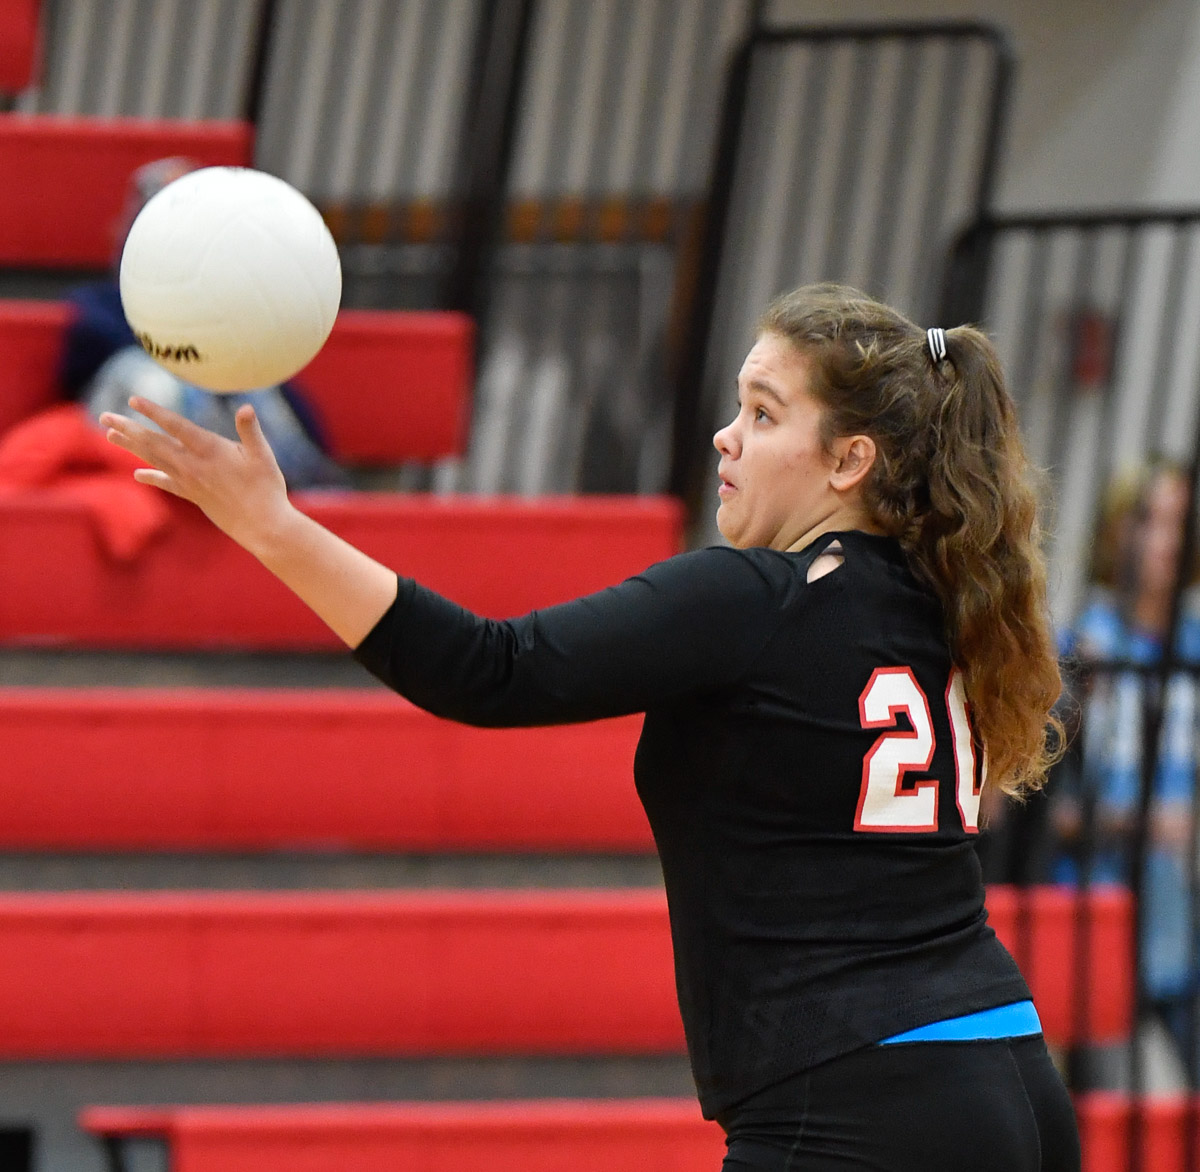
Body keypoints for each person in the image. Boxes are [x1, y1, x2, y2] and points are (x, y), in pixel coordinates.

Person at [100, 282, 1079, 1171]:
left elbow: (492, 669)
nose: (725, 437)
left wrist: (272, 524)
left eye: (764, 413)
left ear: (849, 461)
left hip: (859, 1104)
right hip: (1017, 1078)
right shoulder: (949, 604)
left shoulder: (756, 596)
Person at [59, 156, 346, 492]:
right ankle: (176, 481)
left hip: (226, 442)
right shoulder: (102, 303)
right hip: (134, 443)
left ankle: (275, 484)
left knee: (250, 381)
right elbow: (84, 362)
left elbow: (292, 408)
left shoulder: (242, 315)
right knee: (153, 378)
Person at [1054, 459, 1200, 1079]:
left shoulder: (1192, 645)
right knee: (1107, 1100)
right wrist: (1133, 822)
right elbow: (1045, 809)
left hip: (1181, 906)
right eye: (1149, 519)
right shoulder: (1083, 648)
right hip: (1095, 907)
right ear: (1118, 531)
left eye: (1179, 522)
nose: (1165, 539)